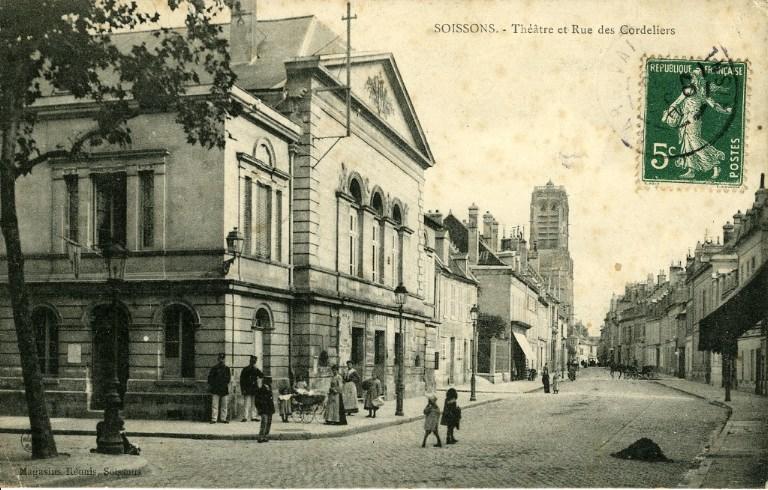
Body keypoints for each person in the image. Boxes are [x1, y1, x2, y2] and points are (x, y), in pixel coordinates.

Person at [662, 68, 732, 179]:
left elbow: (676, 103)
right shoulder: (700, 91)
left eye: (694, 77)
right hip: (686, 119)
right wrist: (725, 111)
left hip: (693, 120)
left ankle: (715, 164)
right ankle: (691, 170)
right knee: (688, 144)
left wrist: (725, 111)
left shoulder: (697, 91)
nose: (693, 79)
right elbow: (713, 105)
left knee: (695, 144)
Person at [208, 353, 231, 424]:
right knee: (215, 405)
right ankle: (214, 419)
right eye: (220, 358)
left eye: (223, 359)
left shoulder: (227, 369)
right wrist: (214, 384)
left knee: (224, 405)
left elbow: (228, 379)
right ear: (218, 359)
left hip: (224, 388)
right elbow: (210, 378)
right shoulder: (214, 368)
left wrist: (224, 383)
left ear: (224, 359)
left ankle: (223, 418)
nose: (221, 360)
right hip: (216, 388)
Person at [240, 355, 262, 422]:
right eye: (252, 361)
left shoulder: (256, 369)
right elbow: (242, 380)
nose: (253, 363)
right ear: (250, 361)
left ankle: (253, 417)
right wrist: (243, 389)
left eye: (254, 362)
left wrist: (257, 369)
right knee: (246, 404)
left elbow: (261, 375)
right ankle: (245, 417)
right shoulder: (245, 369)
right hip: (247, 388)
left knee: (254, 404)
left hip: (254, 388)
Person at [255, 375, 275, 442]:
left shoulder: (269, 388)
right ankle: (261, 436)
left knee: (268, 422)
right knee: (264, 422)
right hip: (263, 408)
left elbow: (271, 399)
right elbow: (257, 400)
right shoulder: (260, 389)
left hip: (269, 408)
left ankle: (265, 436)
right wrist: (259, 408)